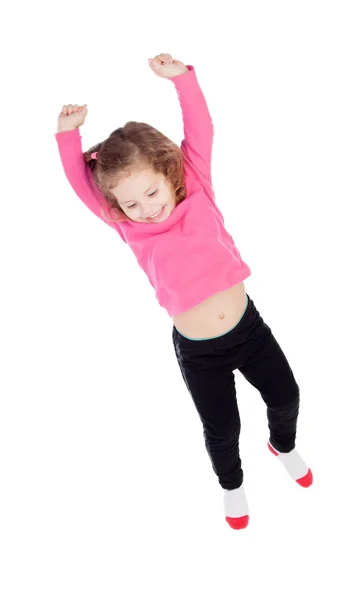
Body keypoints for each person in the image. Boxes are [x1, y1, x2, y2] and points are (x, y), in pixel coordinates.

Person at [55, 53, 313, 530]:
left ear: (168, 175)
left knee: (287, 394)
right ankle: (232, 486)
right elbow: (80, 183)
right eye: (130, 203)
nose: (146, 209)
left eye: (151, 194)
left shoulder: (196, 185)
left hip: (249, 329)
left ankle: (284, 444)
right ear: (115, 206)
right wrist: (68, 137)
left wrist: (182, 80)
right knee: (223, 430)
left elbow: (201, 128)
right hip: (198, 351)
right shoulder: (127, 226)